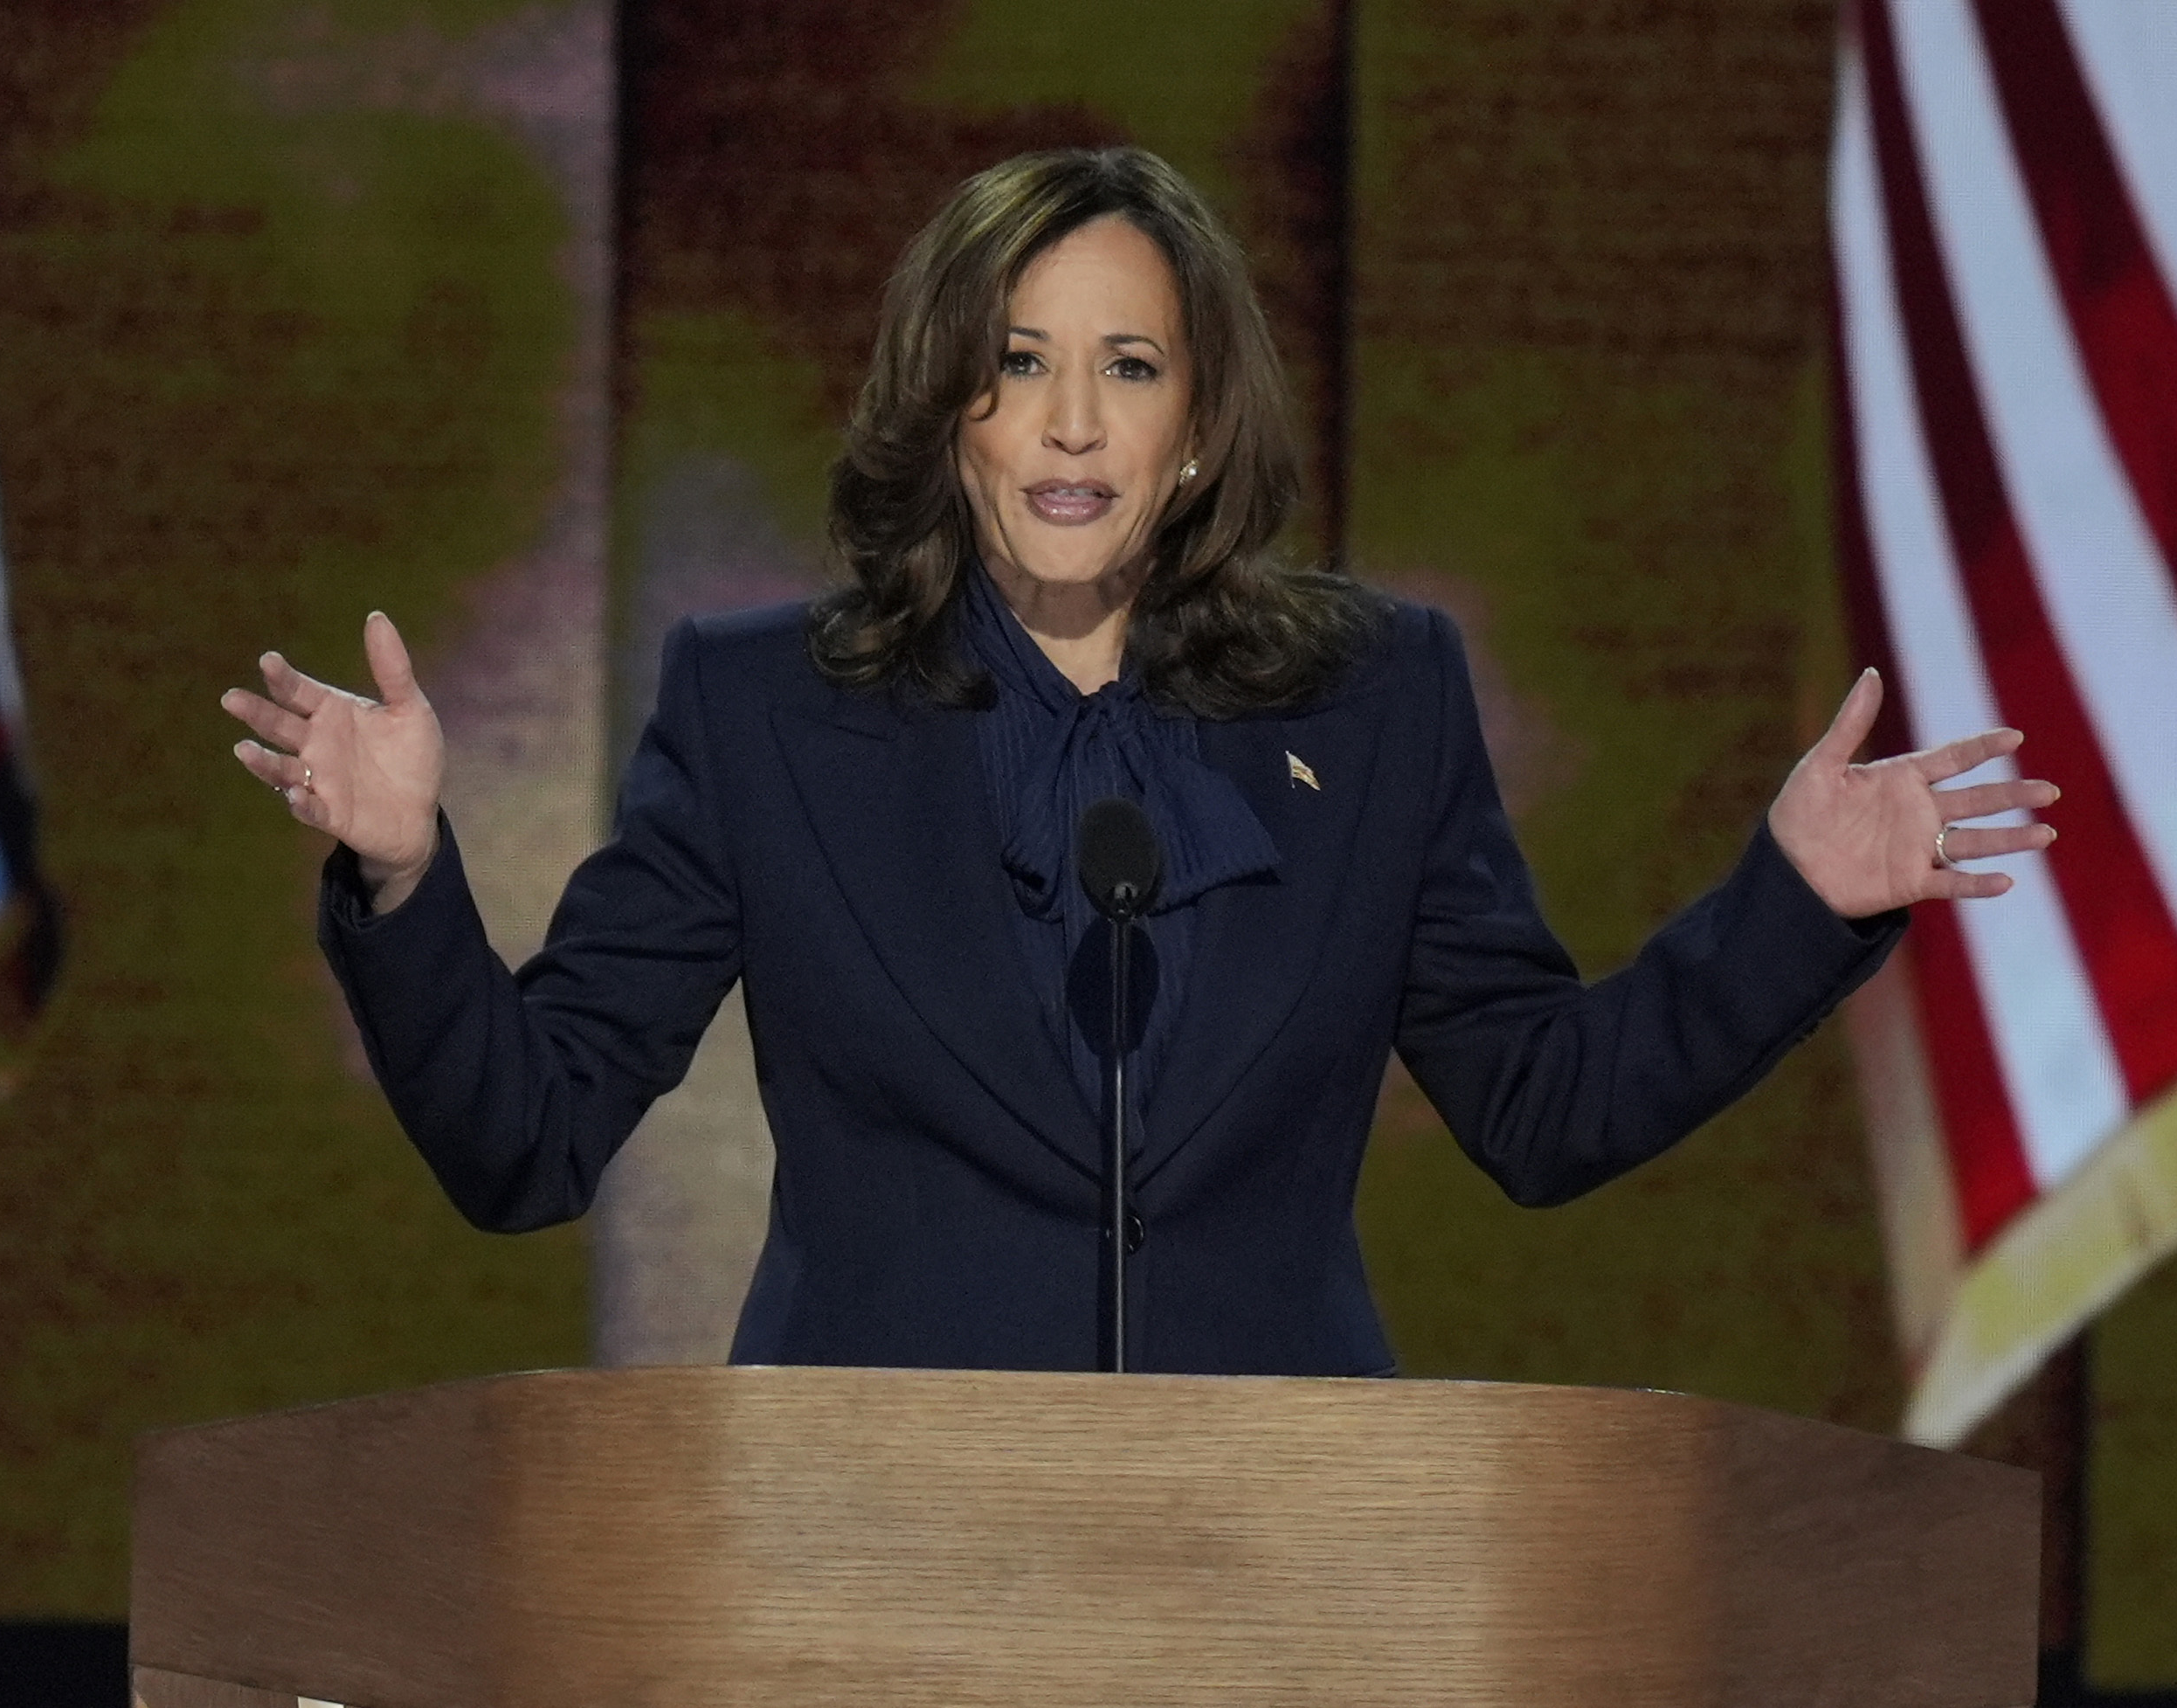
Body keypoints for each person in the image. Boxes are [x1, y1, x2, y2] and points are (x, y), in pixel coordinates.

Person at [218, 148, 2055, 1377]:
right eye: (1016, 363)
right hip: (867, 1557)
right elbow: (525, 1139)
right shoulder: (762, 710)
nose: (1072, 421)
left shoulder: (1374, 696)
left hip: (1275, 1550)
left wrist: (1792, 902)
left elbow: (1541, 1105)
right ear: (952, 413)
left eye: (1129, 365)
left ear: (1195, 427)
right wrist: (400, 877)